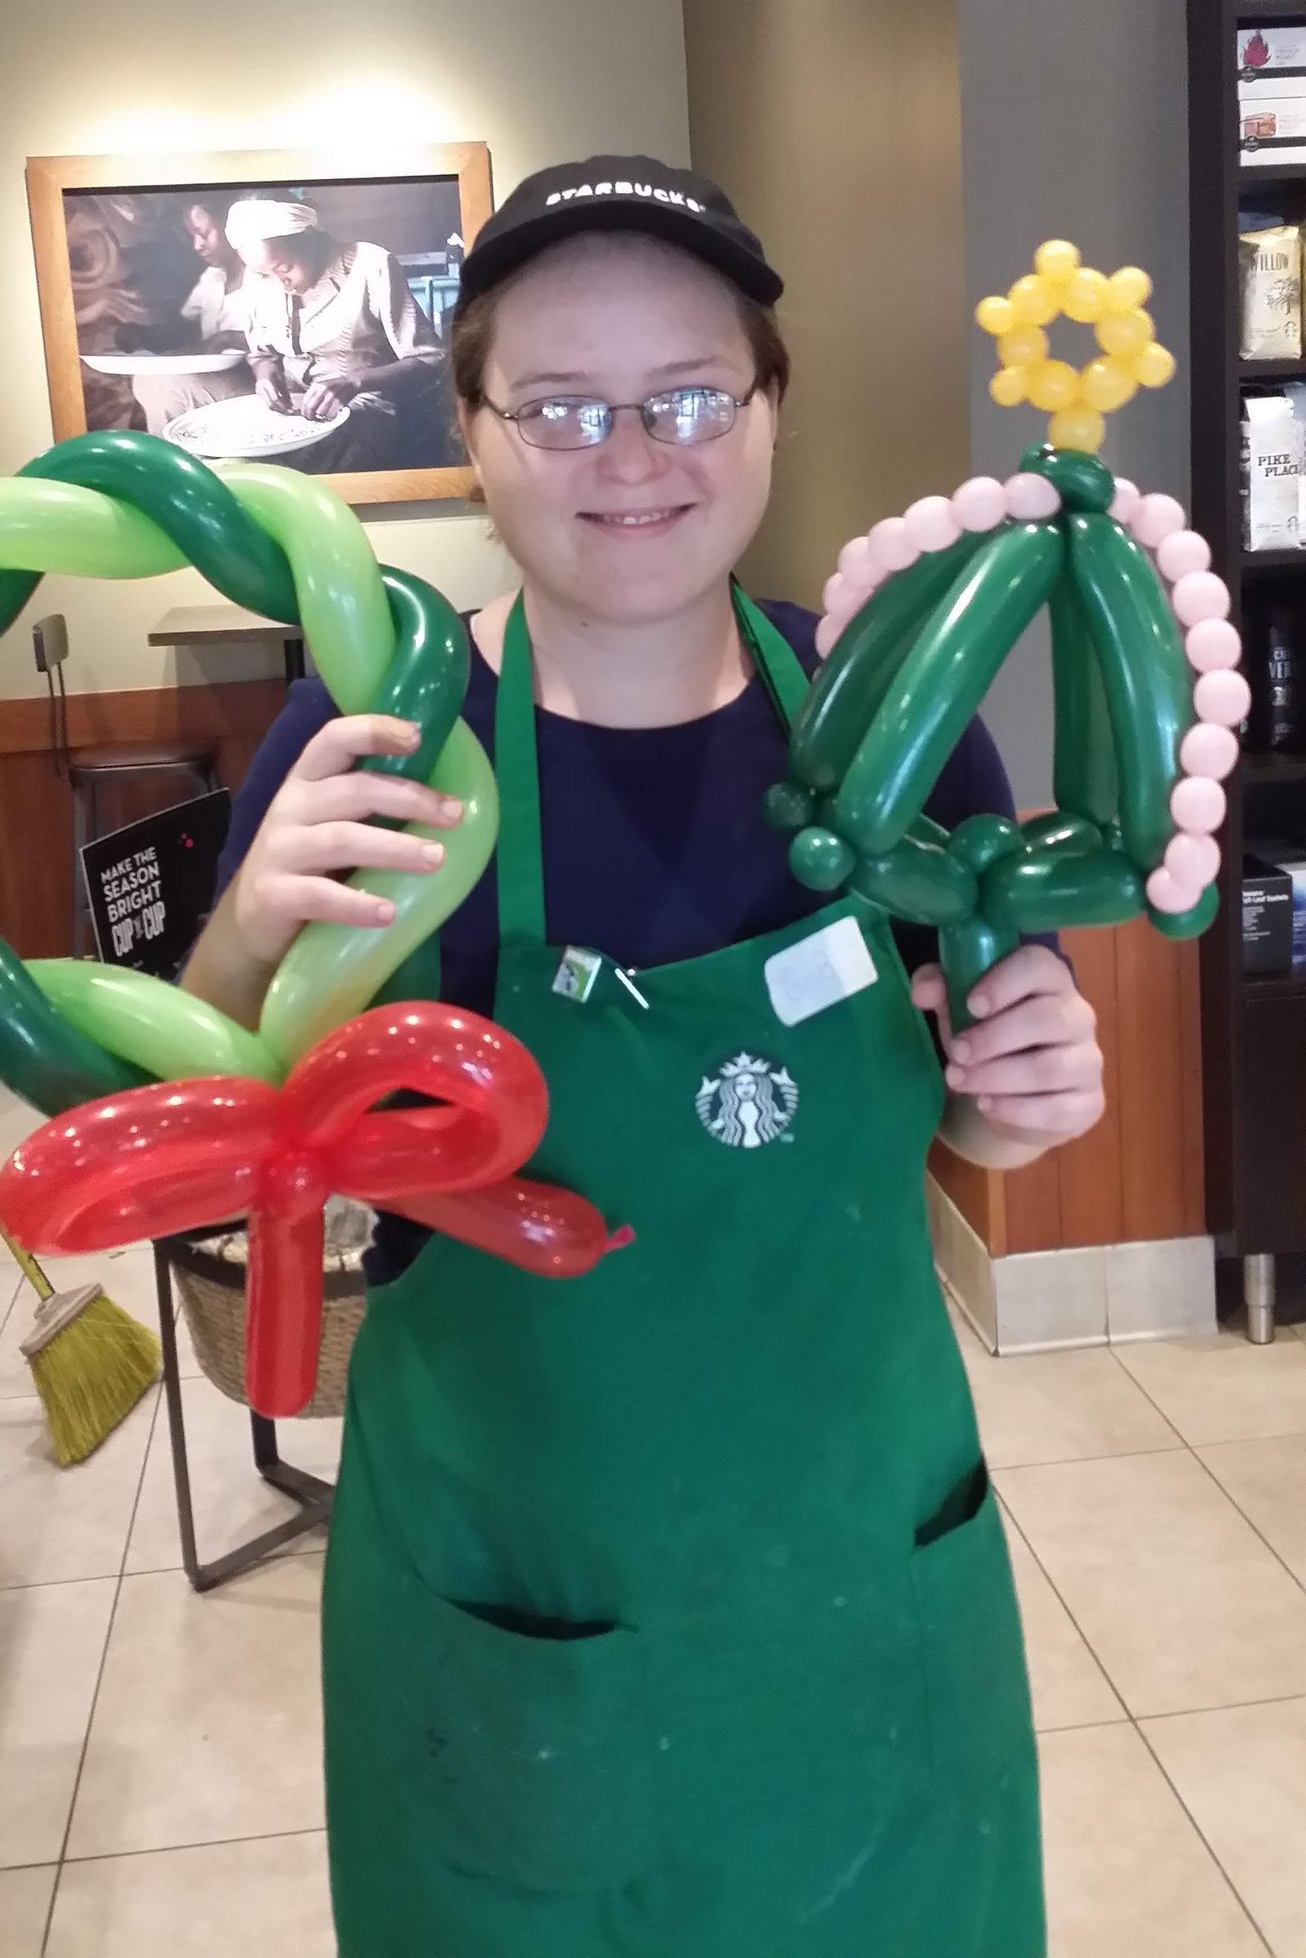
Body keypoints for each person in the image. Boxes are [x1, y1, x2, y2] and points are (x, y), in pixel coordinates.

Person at [184, 155, 1105, 1958]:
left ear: (766, 411)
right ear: (469, 430)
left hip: (864, 1581)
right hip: (513, 1601)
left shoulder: (889, 726)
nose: (634, 454)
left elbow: (973, 1139)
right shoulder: (378, 740)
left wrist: (1022, 1099)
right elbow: (216, 1126)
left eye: (690, 394)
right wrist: (244, 937)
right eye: (563, 404)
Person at [224, 197, 450, 473]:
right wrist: (265, 374)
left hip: (365, 411)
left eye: (284, 268)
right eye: (264, 274)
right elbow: (262, 353)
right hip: (292, 409)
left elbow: (431, 359)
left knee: (267, 468)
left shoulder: (370, 265)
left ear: (308, 239)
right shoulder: (259, 277)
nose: (279, 283)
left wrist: (354, 382)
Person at [126, 193, 252, 435]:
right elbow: (182, 327)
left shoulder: (266, 275)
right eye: (192, 236)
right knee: (146, 377)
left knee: (166, 386)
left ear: (232, 228)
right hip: (216, 379)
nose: (197, 245)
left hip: (255, 383)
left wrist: (227, 339)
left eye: (203, 234)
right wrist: (142, 335)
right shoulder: (212, 277)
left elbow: (289, 340)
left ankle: (171, 465)